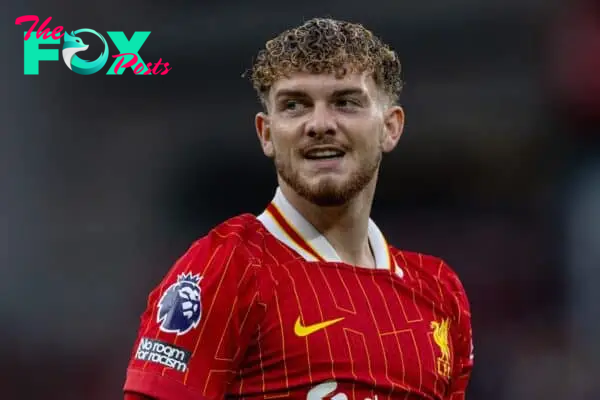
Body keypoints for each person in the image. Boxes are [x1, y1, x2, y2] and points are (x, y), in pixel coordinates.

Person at [123, 17, 473, 400]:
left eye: (346, 102)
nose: (319, 124)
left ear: (391, 127)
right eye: (294, 105)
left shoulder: (440, 292)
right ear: (267, 133)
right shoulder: (227, 269)